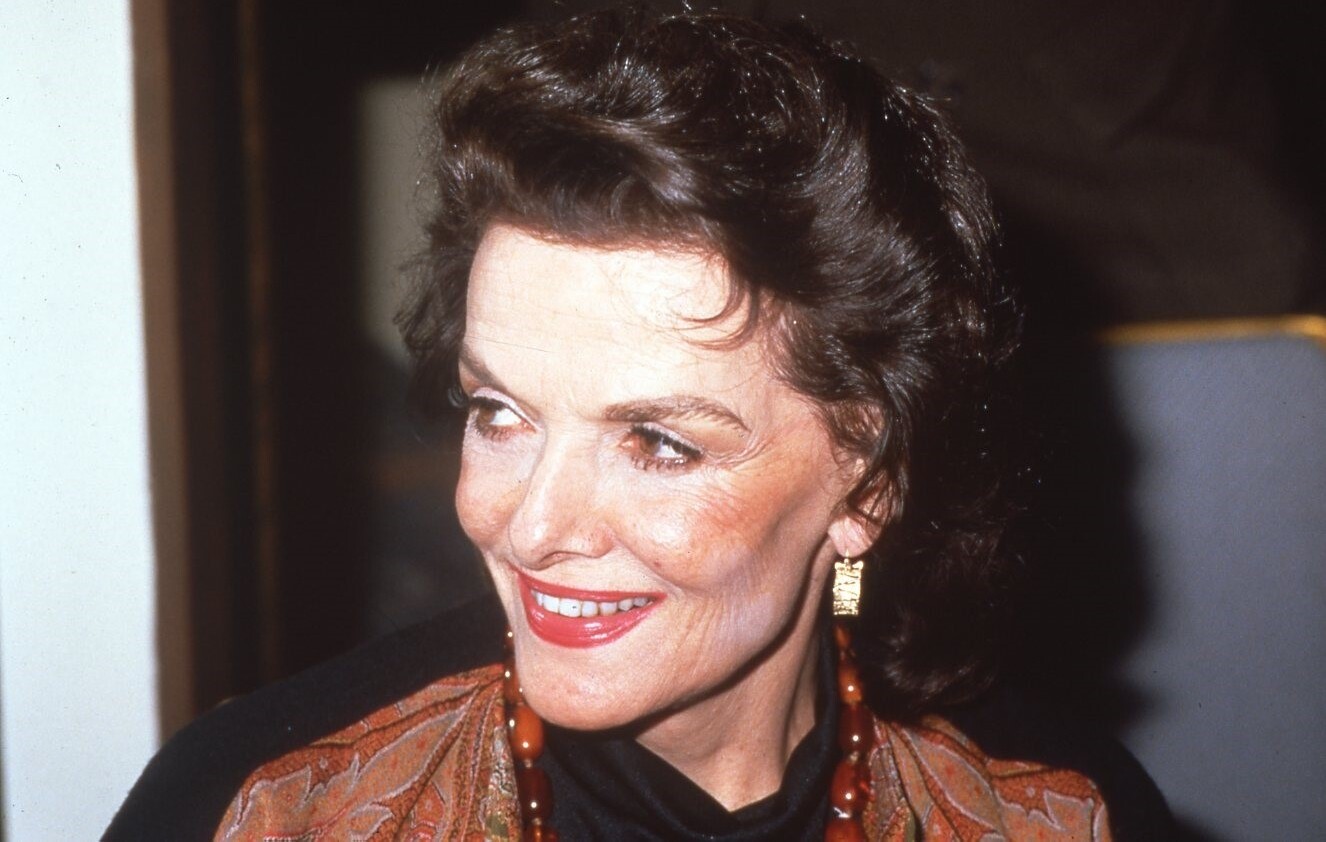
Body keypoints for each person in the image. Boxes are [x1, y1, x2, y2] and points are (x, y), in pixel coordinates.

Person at [109, 8, 1133, 839]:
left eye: (659, 442)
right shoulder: (261, 809)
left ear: (866, 483)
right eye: (499, 413)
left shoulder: (1061, 813)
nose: (533, 525)